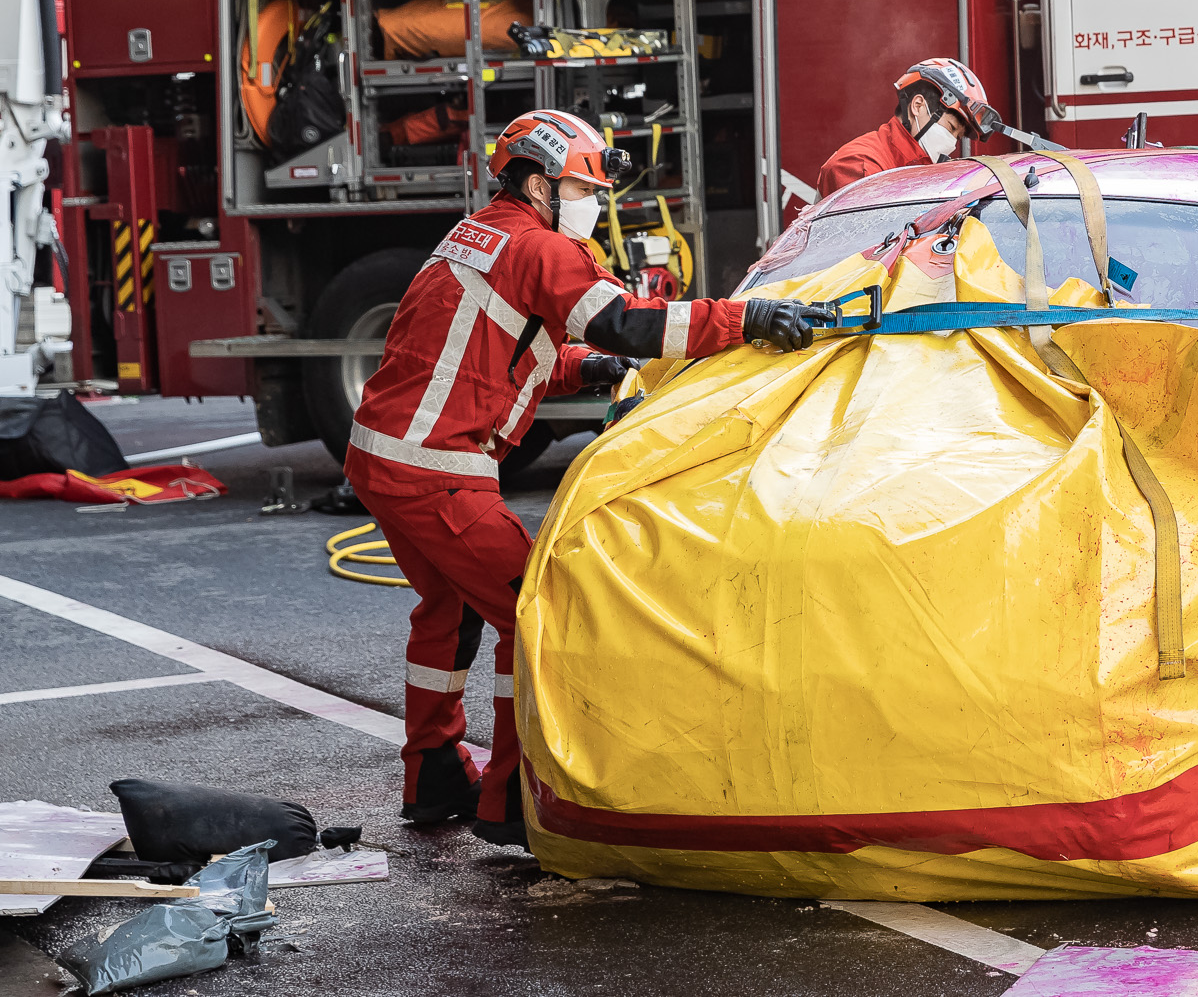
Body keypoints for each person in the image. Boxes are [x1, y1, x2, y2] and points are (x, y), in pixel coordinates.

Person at [345, 109, 835, 848]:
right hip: (436, 469)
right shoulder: (541, 247)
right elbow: (632, 323)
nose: (593, 201)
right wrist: (746, 319)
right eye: (581, 186)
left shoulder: (481, 233)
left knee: (447, 606)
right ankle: (508, 798)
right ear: (540, 183)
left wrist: (583, 367)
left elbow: (498, 343)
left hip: (385, 452)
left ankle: (435, 772)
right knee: (532, 609)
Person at [814, 59, 1001, 197]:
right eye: (951, 128)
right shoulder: (860, 165)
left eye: (958, 137)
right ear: (918, 106)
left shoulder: (921, 169)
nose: (952, 143)